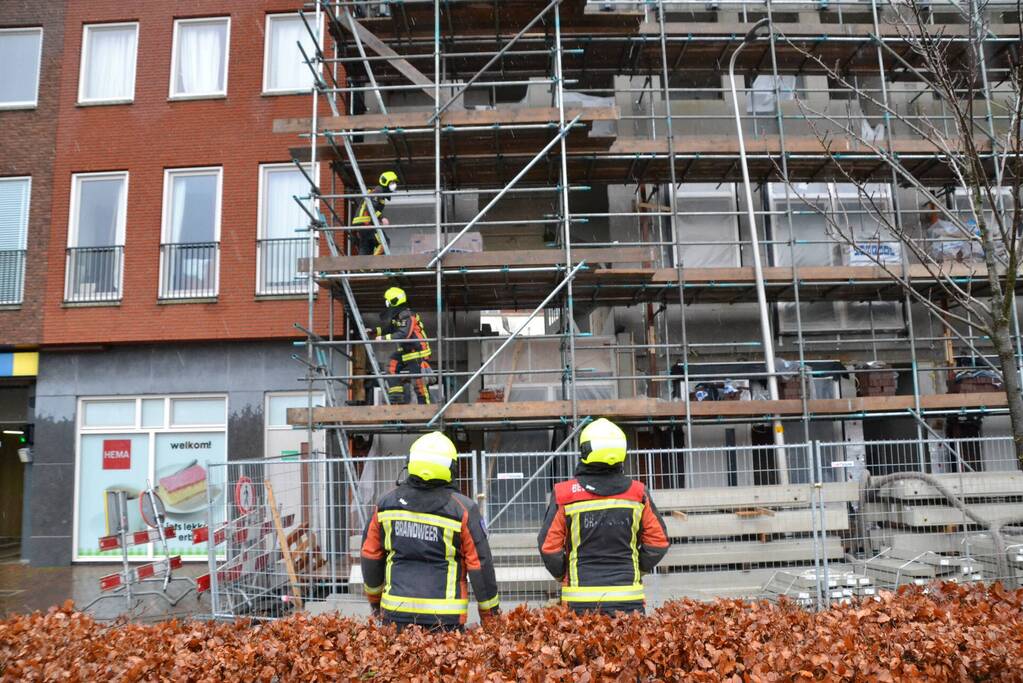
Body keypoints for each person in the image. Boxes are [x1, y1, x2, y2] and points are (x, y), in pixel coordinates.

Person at [360, 431, 500, 631]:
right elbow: (481, 567)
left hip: (395, 615)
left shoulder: (385, 504)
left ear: (409, 462)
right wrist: (491, 618)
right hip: (445, 621)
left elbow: (370, 556)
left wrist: (375, 603)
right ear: (452, 467)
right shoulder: (463, 509)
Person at [537, 417, 670, 615]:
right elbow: (658, 543)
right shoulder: (638, 493)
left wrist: (564, 574)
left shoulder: (565, 494)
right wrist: (635, 570)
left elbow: (549, 548)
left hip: (579, 602)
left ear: (585, 451)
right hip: (628, 600)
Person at [371, 285, 433, 405]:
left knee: (419, 384)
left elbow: (404, 334)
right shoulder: (398, 315)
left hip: (417, 352)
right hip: (407, 351)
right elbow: (390, 328)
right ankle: (396, 395)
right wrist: (374, 331)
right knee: (391, 366)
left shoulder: (407, 315)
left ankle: (426, 410)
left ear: (393, 301)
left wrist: (383, 338)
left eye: (388, 300)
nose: (386, 303)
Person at [353, 171, 399, 256]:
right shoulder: (378, 192)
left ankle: (362, 268)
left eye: (395, 183)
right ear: (386, 182)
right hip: (365, 223)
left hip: (362, 224)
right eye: (392, 183)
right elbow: (370, 208)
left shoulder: (379, 194)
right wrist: (382, 218)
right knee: (384, 242)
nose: (394, 185)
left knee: (367, 247)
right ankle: (374, 265)